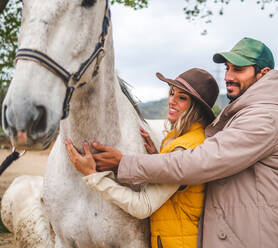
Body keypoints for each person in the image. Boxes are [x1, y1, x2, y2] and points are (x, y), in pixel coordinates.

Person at [83, 37, 278, 248]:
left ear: (263, 73)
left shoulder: (265, 116)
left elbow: (202, 161)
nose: (228, 76)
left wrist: (123, 164)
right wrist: (160, 156)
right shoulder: (250, 113)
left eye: (238, 69)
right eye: (227, 68)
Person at [65, 68, 220, 248]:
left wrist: (93, 176)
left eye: (182, 98)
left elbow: (142, 206)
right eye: (172, 93)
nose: (172, 101)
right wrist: (158, 158)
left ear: (197, 108)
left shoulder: (183, 147)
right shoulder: (184, 140)